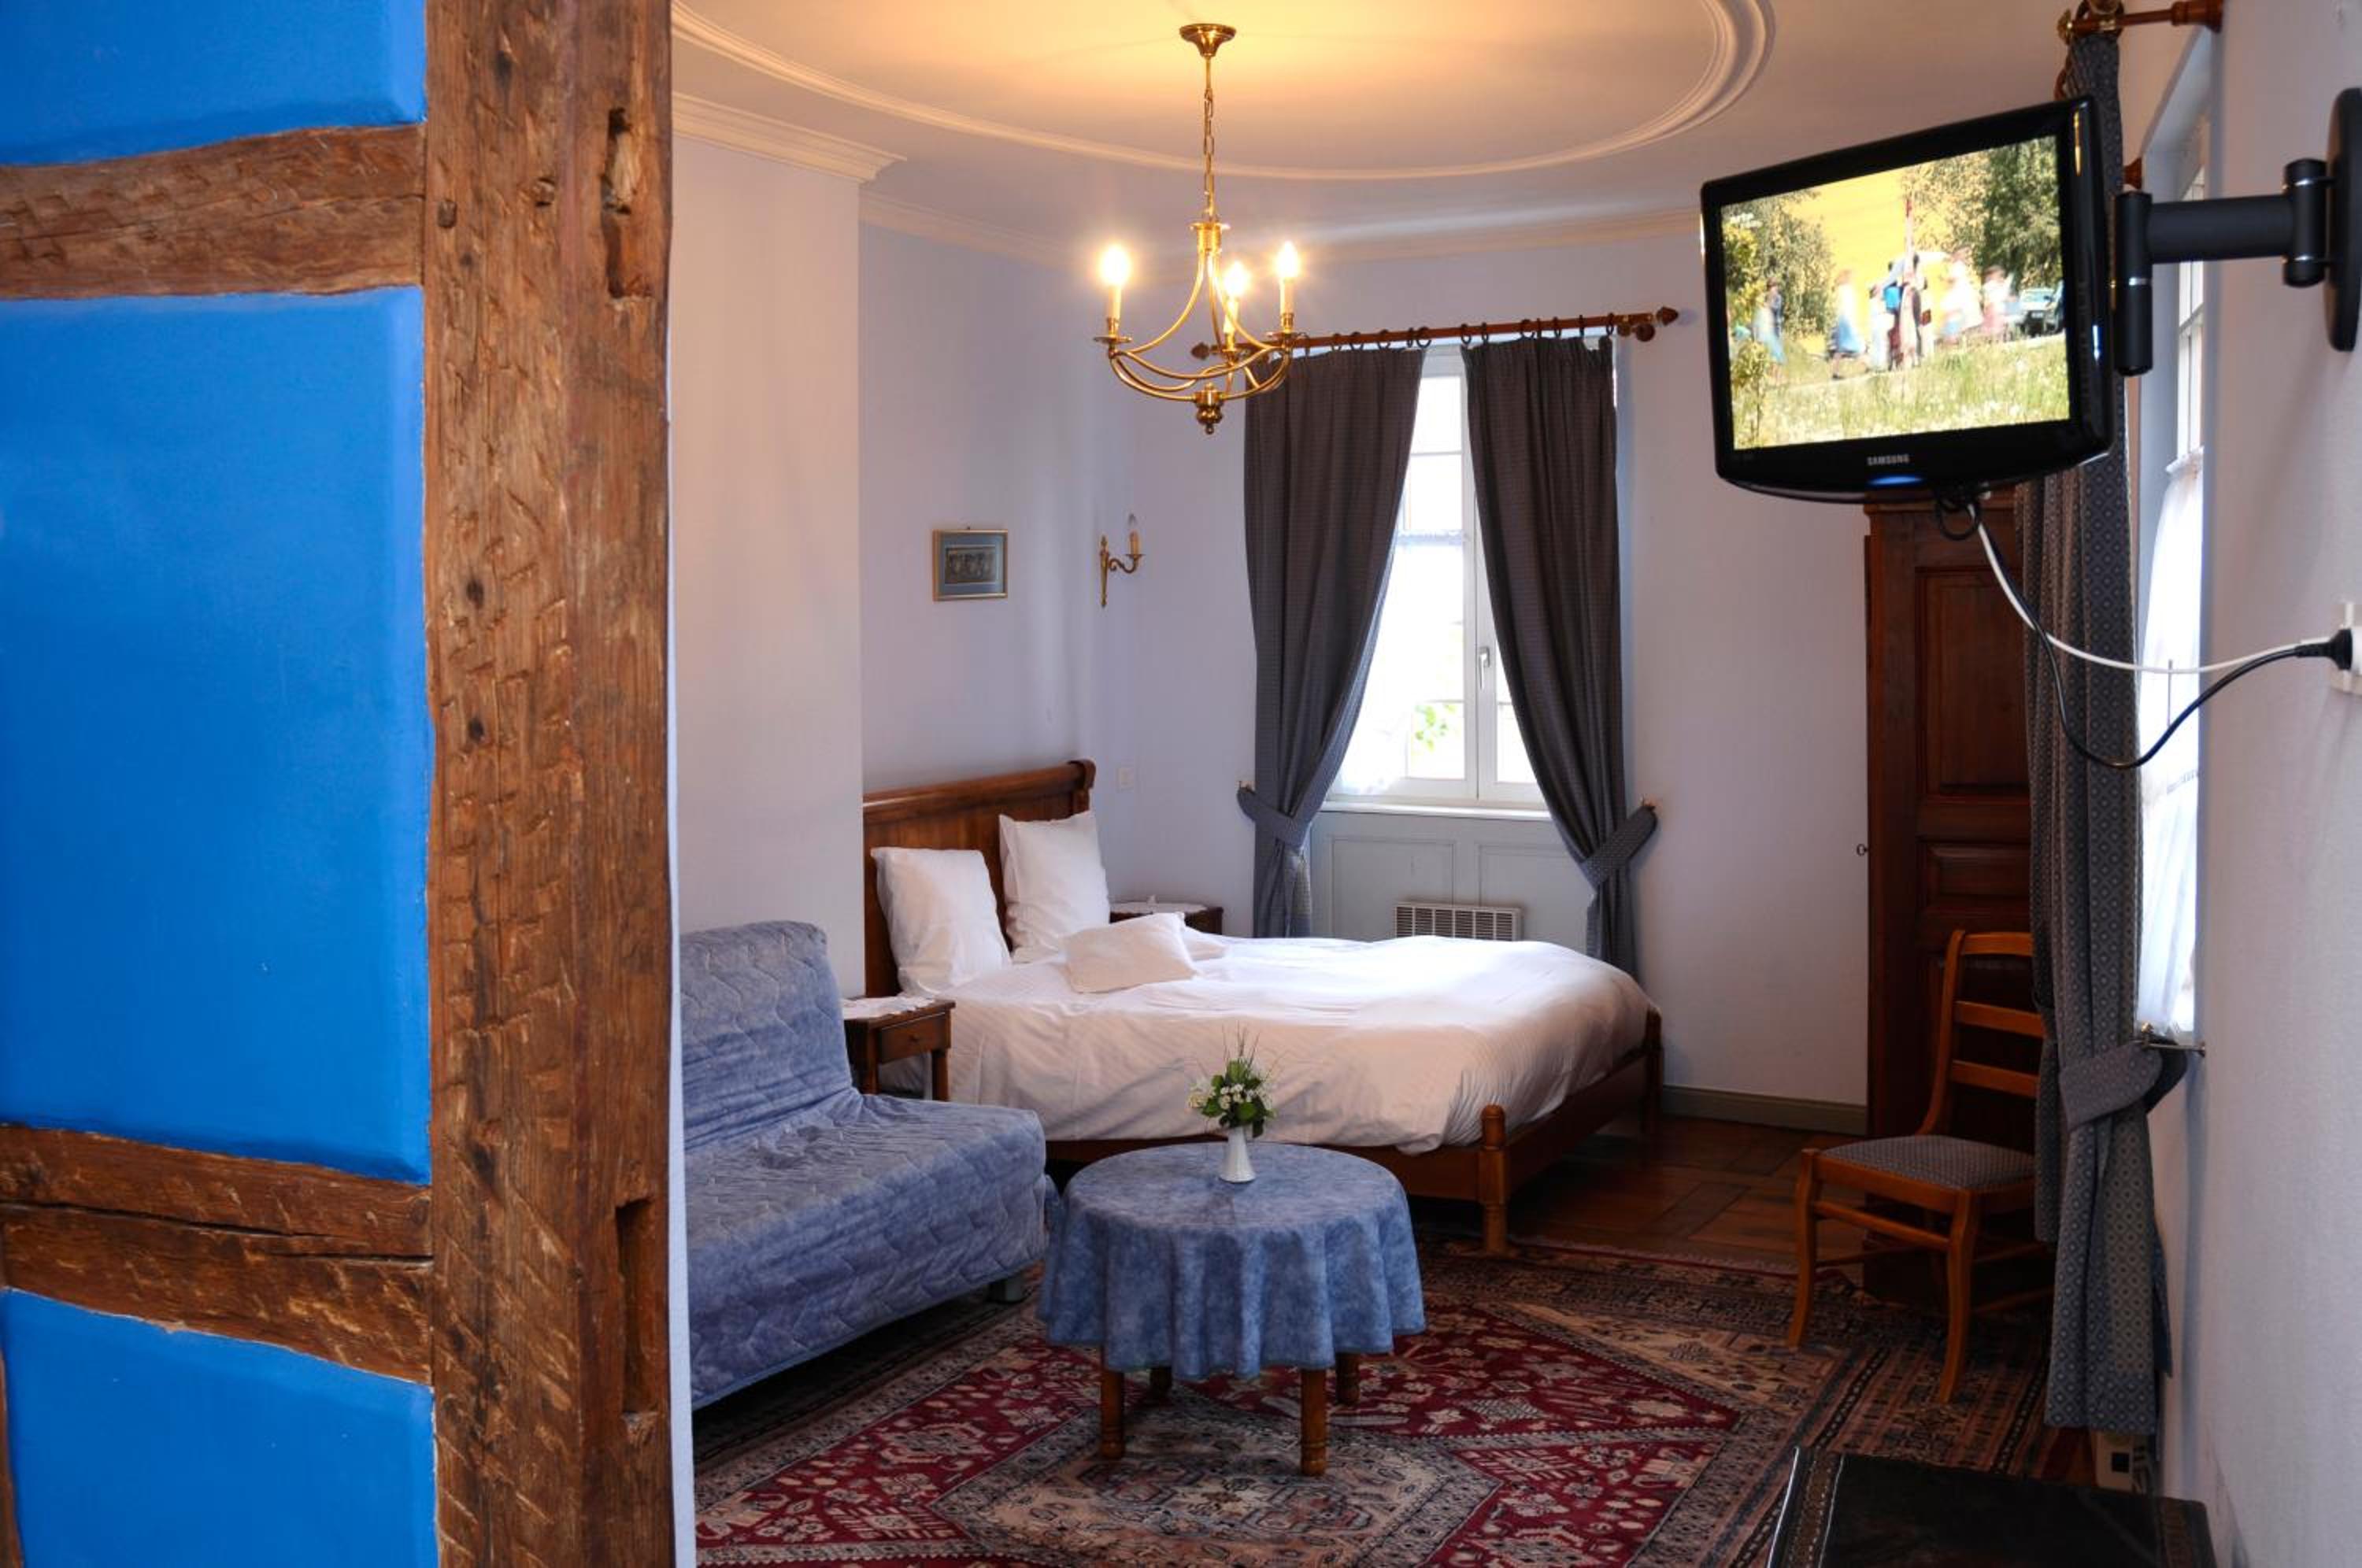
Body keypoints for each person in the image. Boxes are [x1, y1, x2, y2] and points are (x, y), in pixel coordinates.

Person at [1830, 269, 1864, 364]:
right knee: (1858, 348)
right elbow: (1850, 307)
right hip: (1847, 320)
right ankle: (1866, 367)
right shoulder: (1846, 290)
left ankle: (1835, 371)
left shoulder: (1840, 289)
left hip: (1841, 320)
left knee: (1840, 350)